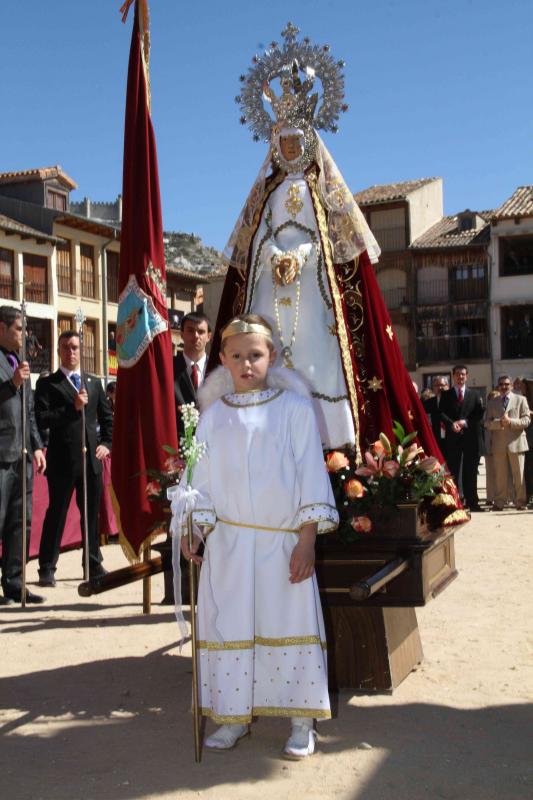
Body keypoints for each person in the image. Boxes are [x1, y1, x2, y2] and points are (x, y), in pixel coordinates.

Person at [207, 24, 441, 462]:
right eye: (285, 141)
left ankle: (334, 449)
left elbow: (337, 246)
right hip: (272, 289)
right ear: (275, 143)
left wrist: (306, 254)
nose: (292, 147)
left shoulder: (322, 192)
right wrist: (273, 255)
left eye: (298, 140)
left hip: (315, 294)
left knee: (321, 360)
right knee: (272, 361)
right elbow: (253, 242)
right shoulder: (267, 195)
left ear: (311, 141)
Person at [172, 314, 338, 758]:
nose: (247, 364)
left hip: (280, 543)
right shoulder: (212, 419)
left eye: (256, 355)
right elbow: (202, 483)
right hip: (229, 547)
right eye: (238, 356)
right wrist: (197, 529)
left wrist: (307, 539)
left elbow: (309, 475)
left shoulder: (295, 410)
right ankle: (231, 716)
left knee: (288, 626)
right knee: (231, 630)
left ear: (273, 357)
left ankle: (301, 721)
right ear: (222, 359)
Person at [35, 330, 113, 585]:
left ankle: (92, 563)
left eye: (75, 347)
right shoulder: (48, 384)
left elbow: (106, 418)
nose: (71, 352)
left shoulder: (92, 382)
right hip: (62, 462)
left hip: (90, 462)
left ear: (82, 351)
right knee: (56, 513)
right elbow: (42, 419)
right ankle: (47, 566)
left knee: (91, 514)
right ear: (59, 351)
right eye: (66, 347)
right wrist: (72, 408)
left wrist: (106, 443)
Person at [0, 306, 46, 604]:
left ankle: (15, 582)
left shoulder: (23, 364)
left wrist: (38, 445)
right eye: (18, 329)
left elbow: (29, 411)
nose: (24, 335)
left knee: (21, 521)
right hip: (1, 454)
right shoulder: (14, 371)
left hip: (23, 454)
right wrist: (12, 383)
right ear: (2, 329)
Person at [439, 365, 485, 511]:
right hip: (453, 438)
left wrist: (464, 422)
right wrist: (451, 424)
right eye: (458, 374)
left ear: (467, 376)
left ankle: (472, 502)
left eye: (463, 374)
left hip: (470, 439)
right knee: (453, 471)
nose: (460, 377)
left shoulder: (475, 394)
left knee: (470, 471)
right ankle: (454, 502)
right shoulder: (446, 395)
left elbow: (479, 414)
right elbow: (441, 413)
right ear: (453, 376)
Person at [484, 375, 530, 511]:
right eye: (501, 384)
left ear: (511, 385)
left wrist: (511, 422)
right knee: (500, 476)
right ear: (498, 386)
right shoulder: (492, 403)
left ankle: (521, 502)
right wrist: (498, 423)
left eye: (506, 384)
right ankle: (499, 502)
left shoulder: (521, 400)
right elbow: (486, 423)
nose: (504, 386)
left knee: (519, 475)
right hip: (499, 444)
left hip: (517, 443)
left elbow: (527, 420)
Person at [173, 311, 212, 437]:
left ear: (209, 336)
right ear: (182, 334)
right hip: (176, 447)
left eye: (201, 332)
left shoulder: (219, 370)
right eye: (190, 330)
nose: (196, 336)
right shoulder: (168, 369)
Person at [422, 376, 449, 460]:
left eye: (442, 385)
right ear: (433, 388)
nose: (440, 387)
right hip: (435, 440)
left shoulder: (453, 401)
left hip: (451, 440)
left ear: (447, 386)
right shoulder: (428, 403)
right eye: (437, 385)